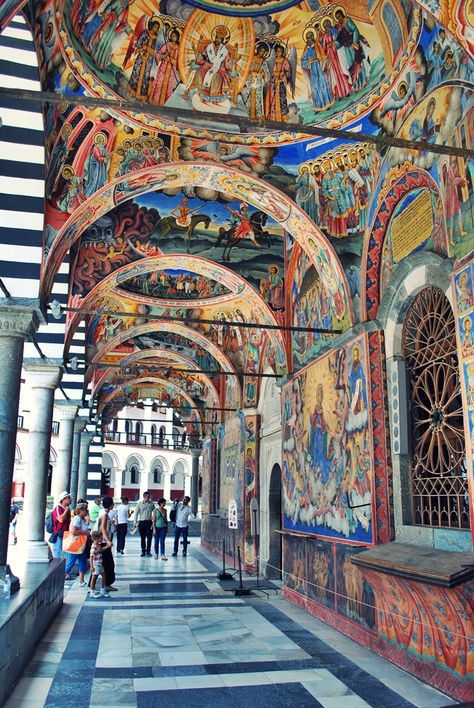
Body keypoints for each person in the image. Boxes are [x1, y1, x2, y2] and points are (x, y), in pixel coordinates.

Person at [64, 503, 90, 585]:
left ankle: (81, 580)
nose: (87, 511)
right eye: (85, 510)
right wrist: (86, 533)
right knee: (71, 562)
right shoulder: (77, 519)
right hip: (76, 544)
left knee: (82, 561)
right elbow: (74, 531)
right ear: (81, 511)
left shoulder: (81, 519)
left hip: (81, 544)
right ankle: (63, 576)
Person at [98, 496, 116, 592]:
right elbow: (102, 528)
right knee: (108, 564)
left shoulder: (103, 512)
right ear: (110, 504)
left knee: (105, 564)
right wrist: (108, 540)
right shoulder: (105, 514)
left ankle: (106, 584)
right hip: (104, 542)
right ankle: (107, 584)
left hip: (103, 542)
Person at [133, 491, 155, 557]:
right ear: (144, 497)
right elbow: (136, 513)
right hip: (142, 522)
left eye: (149, 497)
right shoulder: (139, 504)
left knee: (149, 537)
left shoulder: (151, 504)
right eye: (148, 497)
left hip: (149, 522)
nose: (149, 498)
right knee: (142, 538)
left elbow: (154, 512)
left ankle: (148, 551)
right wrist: (135, 522)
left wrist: (153, 519)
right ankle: (143, 551)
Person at [51, 492, 72, 559]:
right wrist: (66, 511)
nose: (70, 499)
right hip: (59, 533)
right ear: (63, 499)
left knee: (66, 552)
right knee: (57, 552)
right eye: (68, 498)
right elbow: (60, 519)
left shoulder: (67, 509)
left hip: (66, 533)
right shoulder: (58, 508)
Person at [89, 529, 109, 598]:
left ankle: (102, 590)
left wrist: (107, 547)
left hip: (100, 563)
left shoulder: (98, 545)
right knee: (94, 577)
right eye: (101, 537)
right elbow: (91, 556)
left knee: (104, 576)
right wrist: (91, 566)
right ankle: (92, 591)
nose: (102, 538)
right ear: (96, 538)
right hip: (96, 564)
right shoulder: (94, 546)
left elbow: (100, 550)